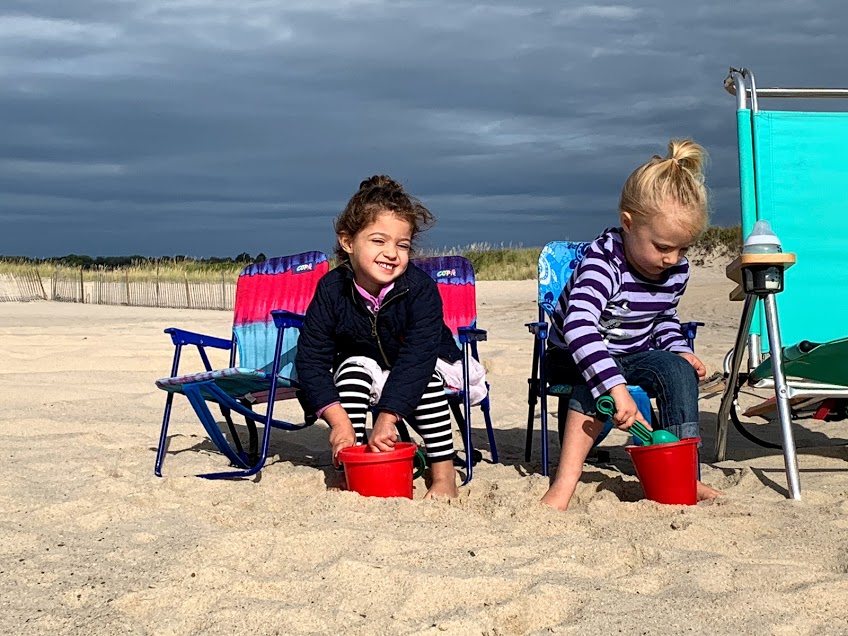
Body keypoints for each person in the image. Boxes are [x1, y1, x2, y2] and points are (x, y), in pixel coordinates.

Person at [540, 139, 723, 511]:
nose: (672, 258)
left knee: (678, 372)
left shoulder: (674, 271)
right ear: (628, 224)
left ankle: (685, 475)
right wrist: (615, 386)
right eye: (662, 247)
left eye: (683, 249)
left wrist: (679, 350)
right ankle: (565, 483)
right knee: (590, 385)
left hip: (632, 352)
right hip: (572, 354)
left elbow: (662, 318)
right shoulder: (603, 264)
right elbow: (578, 326)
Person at [295, 175, 460, 499]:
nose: (392, 253)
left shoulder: (420, 290)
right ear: (348, 241)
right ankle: (349, 463)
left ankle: (444, 474)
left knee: (426, 381)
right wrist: (337, 420)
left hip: (421, 366)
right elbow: (311, 361)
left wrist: (388, 416)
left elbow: (417, 359)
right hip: (365, 368)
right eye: (378, 241)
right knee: (353, 369)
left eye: (402, 244)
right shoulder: (332, 290)